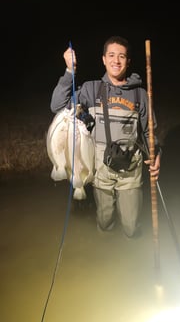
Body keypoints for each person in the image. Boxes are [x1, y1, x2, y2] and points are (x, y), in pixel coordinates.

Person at [50, 35, 161, 238]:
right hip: (101, 170)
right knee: (104, 221)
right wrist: (69, 72)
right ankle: (105, 251)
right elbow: (57, 106)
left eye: (121, 56)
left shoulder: (141, 95)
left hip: (131, 170)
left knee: (130, 227)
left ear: (128, 61)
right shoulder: (91, 90)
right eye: (111, 55)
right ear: (103, 59)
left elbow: (148, 132)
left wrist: (156, 156)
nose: (116, 61)